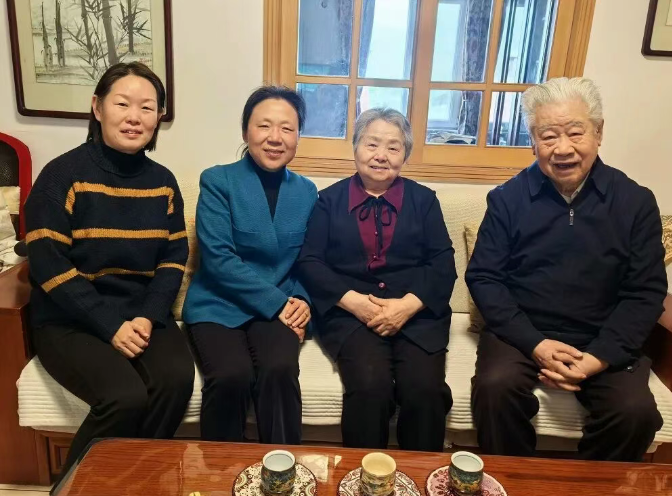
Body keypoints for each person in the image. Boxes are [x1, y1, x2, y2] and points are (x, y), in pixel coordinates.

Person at [466, 77, 667, 461]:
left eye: (575, 133)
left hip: (601, 336)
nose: (562, 149)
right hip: (522, 333)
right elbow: (484, 277)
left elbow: (645, 292)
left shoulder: (636, 203)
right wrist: (536, 344)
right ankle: (514, 481)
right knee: (495, 388)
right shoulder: (507, 199)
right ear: (533, 141)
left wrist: (597, 358)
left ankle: (587, 485)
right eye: (548, 136)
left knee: (635, 413)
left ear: (598, 132)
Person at [25, 62, 194, 483]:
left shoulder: (163, 182)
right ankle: (73, 488)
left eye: (147, 107)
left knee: (175, 379)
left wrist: (148, 315)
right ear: (97, 107)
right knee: (124, 396)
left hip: (140, 313)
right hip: (70, 319)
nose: (134, 117)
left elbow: (174, 256)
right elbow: (47, 262)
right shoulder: (61, 176)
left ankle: (137, 482)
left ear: (159, 118)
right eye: (122, 104)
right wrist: (109, 325)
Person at [297, 108, 456, 451]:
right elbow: (310, 261)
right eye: (372, 144)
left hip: (416, 314)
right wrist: (355, 303)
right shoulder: (328, 200)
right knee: (370, 387)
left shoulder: (424, 200)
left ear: (405, 155)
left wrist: (407, 306)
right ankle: (365, 475)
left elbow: (443, 263)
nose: (381, 155)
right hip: (350, 315)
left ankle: (420, 474)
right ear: (355, 147)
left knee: (424, 390)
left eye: (393, 147)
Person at [183, 86, 317, 444]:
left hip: (279, 304)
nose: (275, 137)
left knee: (280, 368)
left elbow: (309, 259)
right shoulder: (218, 180)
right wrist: (281, 304)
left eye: (287, 128)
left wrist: (302, 300)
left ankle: (283, 465)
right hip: (218, 302)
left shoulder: (306, 191)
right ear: (246, 131)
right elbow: (218, 259)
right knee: (232, 375)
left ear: (298, 137)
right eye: (264, 126)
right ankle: (221, 467)